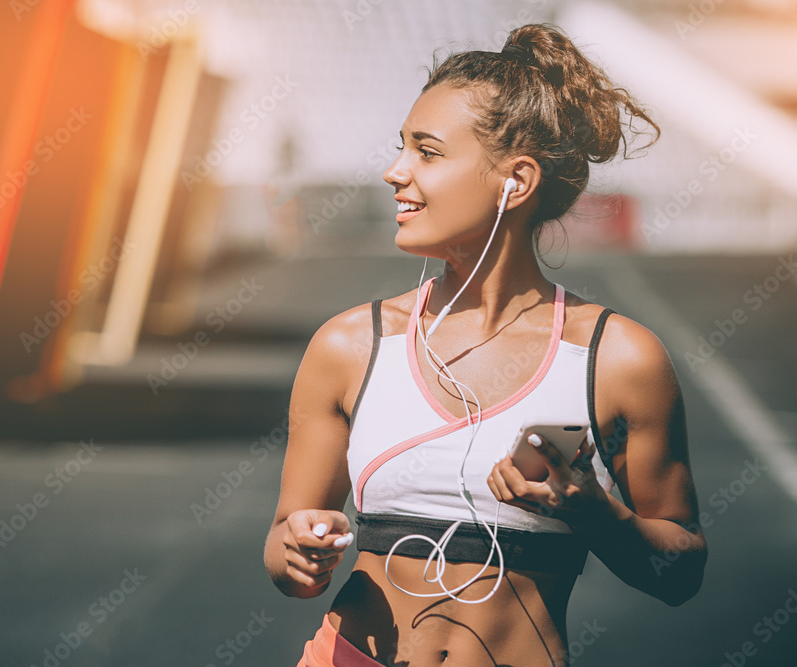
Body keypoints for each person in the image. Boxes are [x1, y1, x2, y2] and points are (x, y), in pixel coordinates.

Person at [263, 23, 708, 667]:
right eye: (401, 148)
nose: (395, 172)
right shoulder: (349, 345)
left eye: (428, 152)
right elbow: (283, 552)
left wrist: (593, 513)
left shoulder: (619, 360)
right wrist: (301, 548)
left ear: (515, 182)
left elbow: (681, 573)